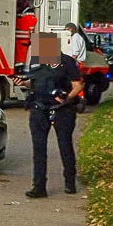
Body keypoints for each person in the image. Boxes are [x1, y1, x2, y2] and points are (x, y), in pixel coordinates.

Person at [12, 32, 84, 198]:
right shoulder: (37, 61)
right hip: (39, 108)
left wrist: (67, 97)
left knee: (64, 145)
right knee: (38, 148)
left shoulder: (67, 61)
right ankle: (39, 187)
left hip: (62, 109)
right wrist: (22, 82)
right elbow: (33, 83)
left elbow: (78, 85)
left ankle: (70, 182)